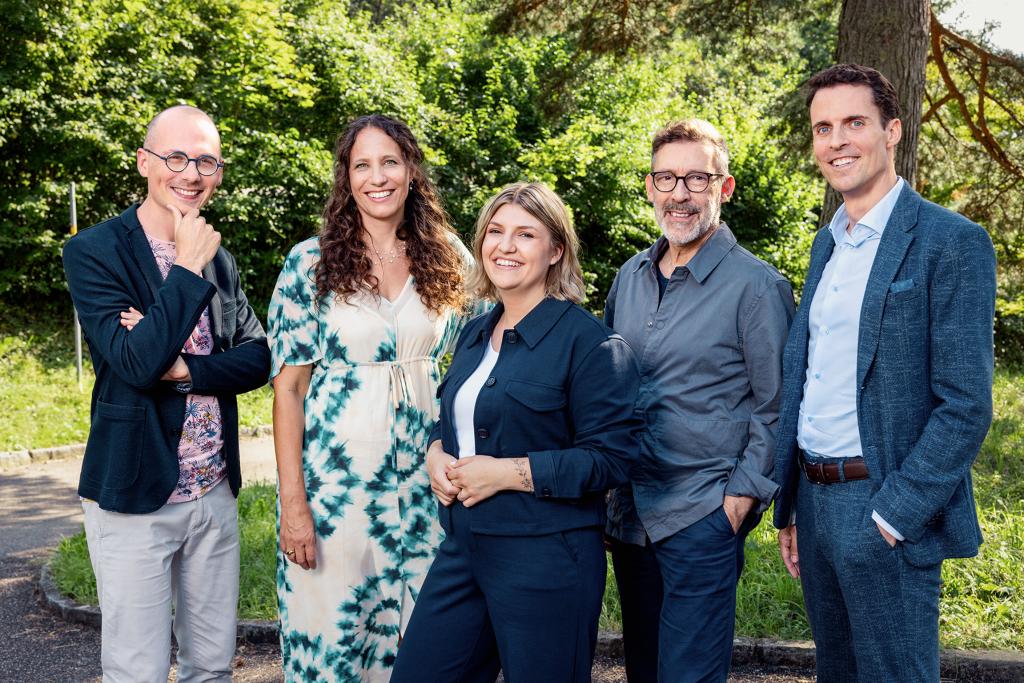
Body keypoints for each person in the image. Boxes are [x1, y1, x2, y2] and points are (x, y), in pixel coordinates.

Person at [772, 64, 997, 682]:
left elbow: (966, 404)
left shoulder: (951, 242)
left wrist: (894, 515)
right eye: (823, 128)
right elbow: (811, 377)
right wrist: (793, 505)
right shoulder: (827, 244)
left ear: (892, 131)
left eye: (854, 123)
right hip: (815, 501)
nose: (836, 141)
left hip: (882, 503)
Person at [390, 182, 642, 683]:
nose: (505, 246)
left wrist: (508, 474)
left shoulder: (591, 344)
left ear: (556, 251)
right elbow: (455, 418)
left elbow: (613, 458)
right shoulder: (474, 333)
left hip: (546, 557)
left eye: (526, 234)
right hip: (464, 549)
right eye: (495, 231)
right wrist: (435, 452)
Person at [61, 104, 271, 682]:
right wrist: (186, 266)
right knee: (139, 671)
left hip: (212, 490)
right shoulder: (95, 251)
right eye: (175, 157)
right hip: (135, 492)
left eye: (206, 161)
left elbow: (258, 356)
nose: (191, 174)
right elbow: (135, 364)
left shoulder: (220, 260)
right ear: (144, 162)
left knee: (212, 667)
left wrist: (184, 370)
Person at [267, 114, 474, 682]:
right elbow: (288, 389)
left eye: (390, 162)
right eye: (362, 165)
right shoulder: (309, 263)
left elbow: (485, 358)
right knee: (337, 647)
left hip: (430, 489)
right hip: (337, 495)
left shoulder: (452, 258)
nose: (377, 177)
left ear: (411, 171)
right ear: (346, 177)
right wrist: (294, 505)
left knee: (430, 652)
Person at [604, 119, 795, 683]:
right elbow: (608, 386)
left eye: (696, 178)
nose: (680, 194)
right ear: (650, 187)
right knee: (644, 670)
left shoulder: (757, 286)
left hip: (702, 514)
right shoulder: (630, 276)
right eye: (666, 178)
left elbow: (777, 405)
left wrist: (739, 500)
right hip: (631, 515)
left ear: (724, 187)